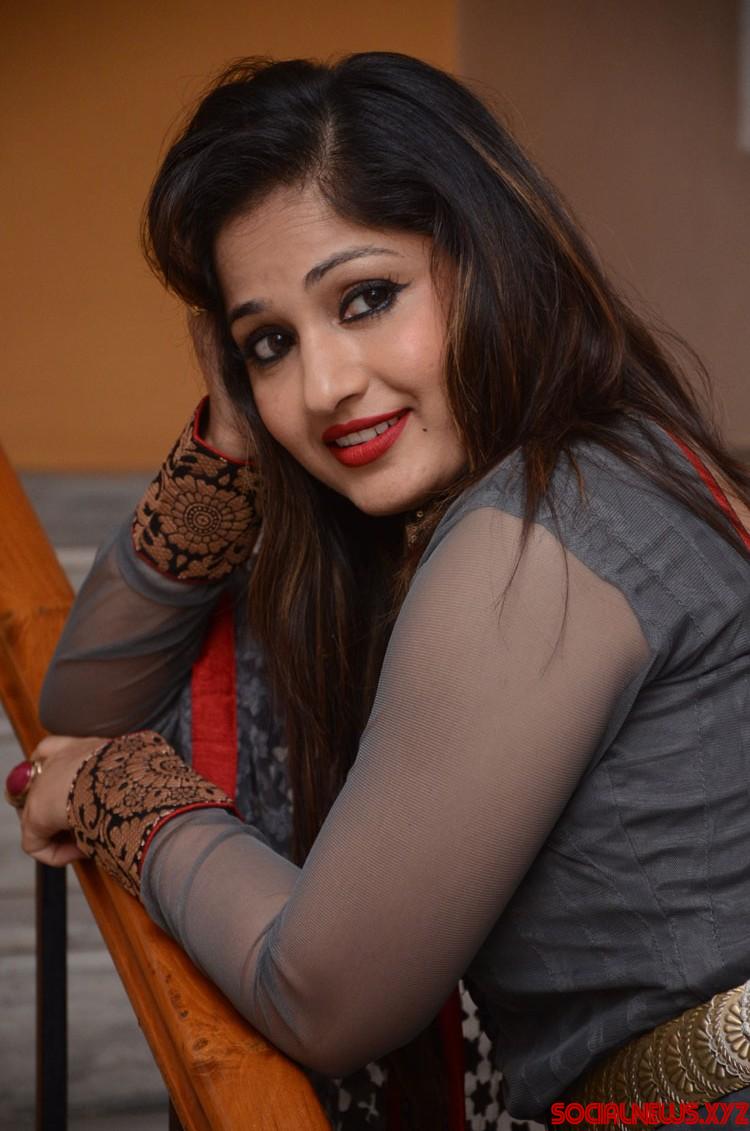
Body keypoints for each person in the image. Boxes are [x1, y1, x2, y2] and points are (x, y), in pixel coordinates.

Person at [8, 51, 750, 1131]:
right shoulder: (608, 470)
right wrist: (228, 436)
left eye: (367, 298)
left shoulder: (536, 538)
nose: (322, 386)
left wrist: (126, 793)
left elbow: (326, 997)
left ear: (489, 261)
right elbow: (81, 706)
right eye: (269, 344)